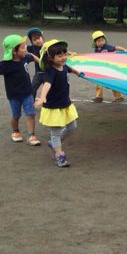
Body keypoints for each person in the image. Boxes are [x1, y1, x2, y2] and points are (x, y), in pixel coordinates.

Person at [0, 34, 42, 146]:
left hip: (27, 93)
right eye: (23, 47)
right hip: (14, 95)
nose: (25, 49)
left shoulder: (25, 57)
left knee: (30, 114)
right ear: (14, 51)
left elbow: (32, 56)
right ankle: (15, 131)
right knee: (16, 115)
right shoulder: (6, 64)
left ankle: (32, 135)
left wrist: (41, 63)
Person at [35, 39, 80, 168]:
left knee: (72, 127)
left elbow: (69, 69)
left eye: (64, 54)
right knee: (55, 132)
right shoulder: (50, 72)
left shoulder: (64, 66)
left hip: (65, 104)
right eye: (59, 56)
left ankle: (54, 143)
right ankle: (59, 155)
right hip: (53, 107)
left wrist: (77, 72)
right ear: (50, 57)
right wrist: (42, 97)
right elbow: (47, 85)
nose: (63, 57)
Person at [91, 30, 127, 103]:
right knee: (99, 83)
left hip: (109, 69)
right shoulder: (96, 50)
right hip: (101, 69)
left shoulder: (107, 47)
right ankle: (99, 97)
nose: (101, 42)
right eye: (98, 41)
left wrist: (125, 50)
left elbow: (116, 47)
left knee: (112, 83)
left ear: (105, 40)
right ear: (95, 42)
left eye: (102, 40)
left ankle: (119, 97)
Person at [26, 26, 45, 97]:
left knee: (50, 90)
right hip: (39, 73)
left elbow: (59, 50)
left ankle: (50, 103)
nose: (37, 41)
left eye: (39, 38)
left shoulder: (48, 47)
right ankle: (31, 102)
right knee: (32, 88)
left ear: (42, 38)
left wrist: (68, 53)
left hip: (49, 73)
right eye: (34, 40)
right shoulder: (32, 48)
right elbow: (21, 47)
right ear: (32, 42)